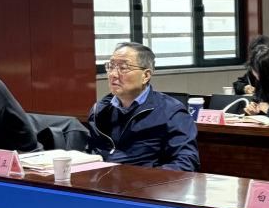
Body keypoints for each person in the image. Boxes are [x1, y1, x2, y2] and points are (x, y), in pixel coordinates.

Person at [84, 42, 200, 170]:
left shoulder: (171, 112)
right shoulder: (100, 110)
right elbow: (90, 154)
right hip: (103, 179)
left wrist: (146, 179)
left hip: (146, 181)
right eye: (111, 67)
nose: (113, 74)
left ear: (146, 76)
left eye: (123, 68)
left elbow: (186, 162)